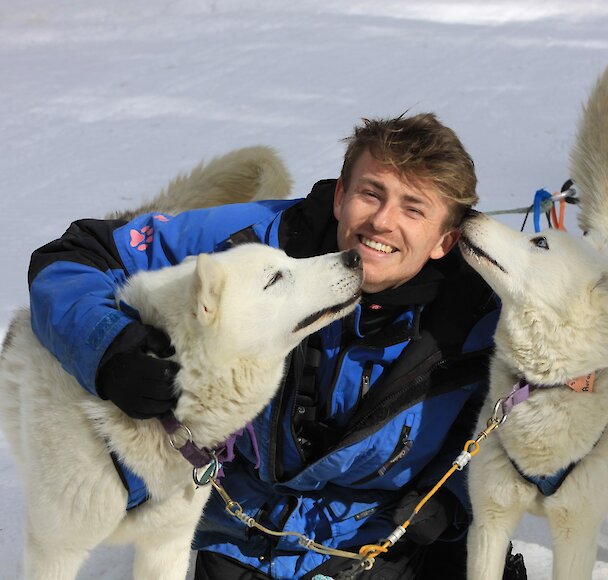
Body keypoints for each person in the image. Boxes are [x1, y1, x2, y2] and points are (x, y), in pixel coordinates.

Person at [28, 113, 523, 579]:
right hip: (242, 530)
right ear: (339, 196)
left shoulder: (486, 314)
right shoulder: (252, 247)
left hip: (387, 540)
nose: (382, 222)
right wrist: (109, 350)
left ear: (444, 239)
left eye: (413, 209)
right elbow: (75, 257)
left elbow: (529, 429)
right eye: (371, 194)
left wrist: (452, 503)